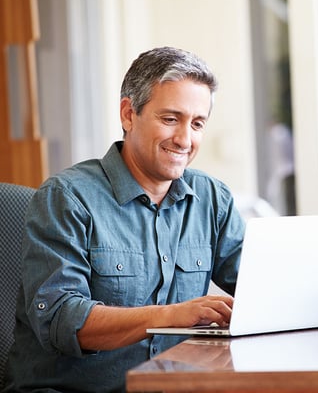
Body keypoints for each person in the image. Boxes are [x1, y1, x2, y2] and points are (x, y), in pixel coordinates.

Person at [3, 47, 245, 392]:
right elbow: (60, 319)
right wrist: (171, 316)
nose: (184, 139)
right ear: (129, 114)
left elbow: (259, 289)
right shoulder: (67, 197)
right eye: (170, 119)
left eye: (197, 123)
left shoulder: (212, 199)